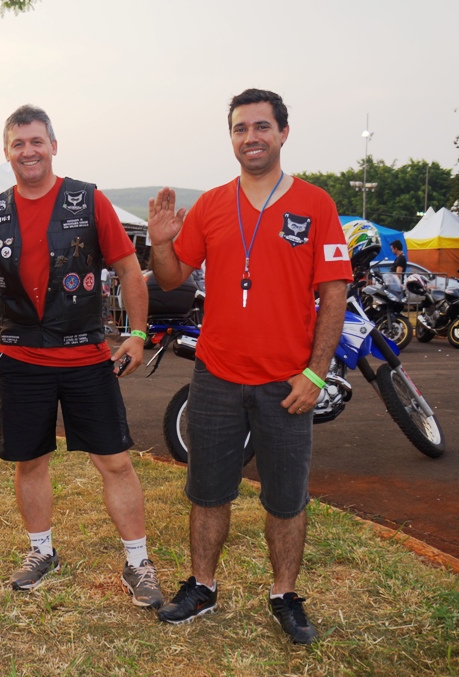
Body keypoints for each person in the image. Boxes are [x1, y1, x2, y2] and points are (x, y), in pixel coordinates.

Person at [0, 104, 164, 609]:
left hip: (87, 358)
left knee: (115, 462)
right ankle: (41, 551)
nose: (28, 151)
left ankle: (138, 562)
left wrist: (138, 334)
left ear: (53, 146)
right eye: (18, 143)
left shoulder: (88, 200)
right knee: (29, 462)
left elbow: (129, 269)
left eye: (36, 141)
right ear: (6, 152)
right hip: (22, 360)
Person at [147, 89, 351, 645]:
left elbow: (334, 292)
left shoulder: (315, 204)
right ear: (231, 138)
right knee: (207, 492)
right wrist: (161, 244)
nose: (251, 137)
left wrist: (315, 373)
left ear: (283, 132)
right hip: (216, 376)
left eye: (262, 126)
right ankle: (202, 588)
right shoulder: (213, 204)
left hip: (287, 383)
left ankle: (284, 596)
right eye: (240, 128)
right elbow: (172, 276)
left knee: (286, 498)